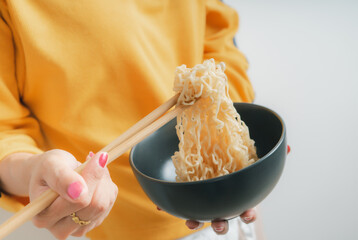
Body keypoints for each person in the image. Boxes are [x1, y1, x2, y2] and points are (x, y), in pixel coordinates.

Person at [0, 0, 261, 239]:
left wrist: (238, 150)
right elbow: (5, 133)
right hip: (99, 229)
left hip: (217, 210)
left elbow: (220, 48)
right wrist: (37, 170)